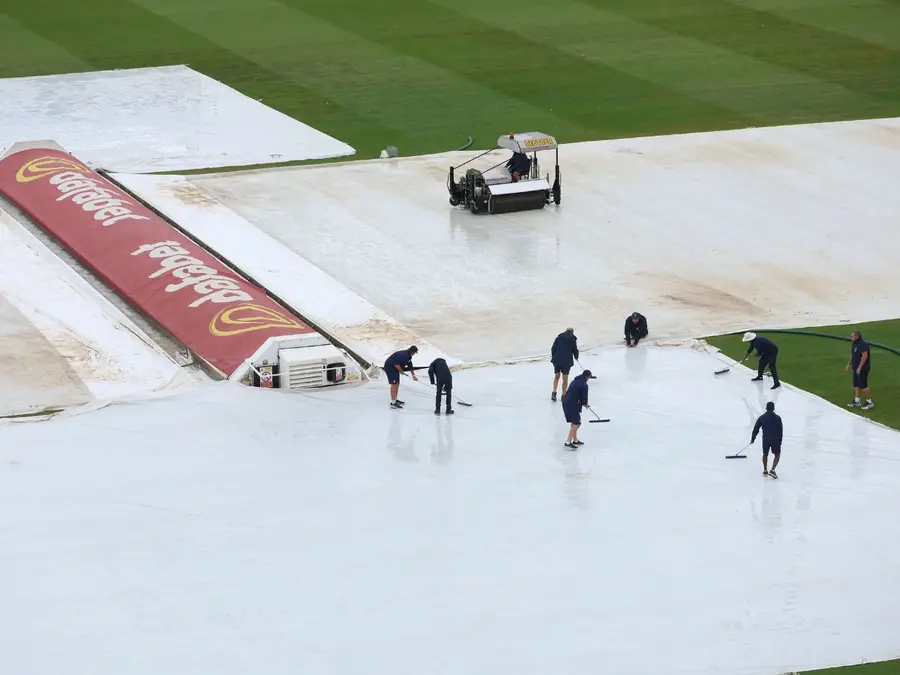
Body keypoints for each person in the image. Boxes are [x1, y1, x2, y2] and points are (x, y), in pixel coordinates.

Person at [562, 369, 595, 449]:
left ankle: (575, 440)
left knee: (574, 422)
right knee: (577, 423)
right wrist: (585, 404)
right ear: (587, 377)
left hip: (566, 402)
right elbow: (584, 397)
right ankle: (568, 442)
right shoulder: (584, 385)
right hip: (572, 405)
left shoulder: (575, 381)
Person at [751, 401, 783, 478]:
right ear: (773, 408)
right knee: (777, 454)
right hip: (775, 439)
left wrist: (753, 438)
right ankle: (772, 470)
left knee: (765, 454)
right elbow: (780, 430)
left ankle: (765, 470)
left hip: (766, 439)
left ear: (766, 408)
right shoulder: (778, 418)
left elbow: (756, 429)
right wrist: (780, 440)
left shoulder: (762, 417)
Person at [846, 330, 874, 410]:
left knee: (863, 386)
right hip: (855, 368)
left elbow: (864, 356)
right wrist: (848, 364)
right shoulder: (854, 344)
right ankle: (857, 401)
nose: (851, 337)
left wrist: (860, 367)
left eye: (852, 336)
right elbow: (852, 354)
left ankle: (869, 402)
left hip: (862, 369)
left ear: (857, 336)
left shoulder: (863, 345)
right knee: (856, 384)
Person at [550, 327, 579, 401]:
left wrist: (554, 356)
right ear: (572, 332)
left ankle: (554, 392)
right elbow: (574, 349)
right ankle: (563, 395)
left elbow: (553, 348)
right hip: (567, 361)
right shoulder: (572, 339)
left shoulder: (559, 337)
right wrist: (576, 356)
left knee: (557, 376)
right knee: (565, 378)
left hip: (557, 359)